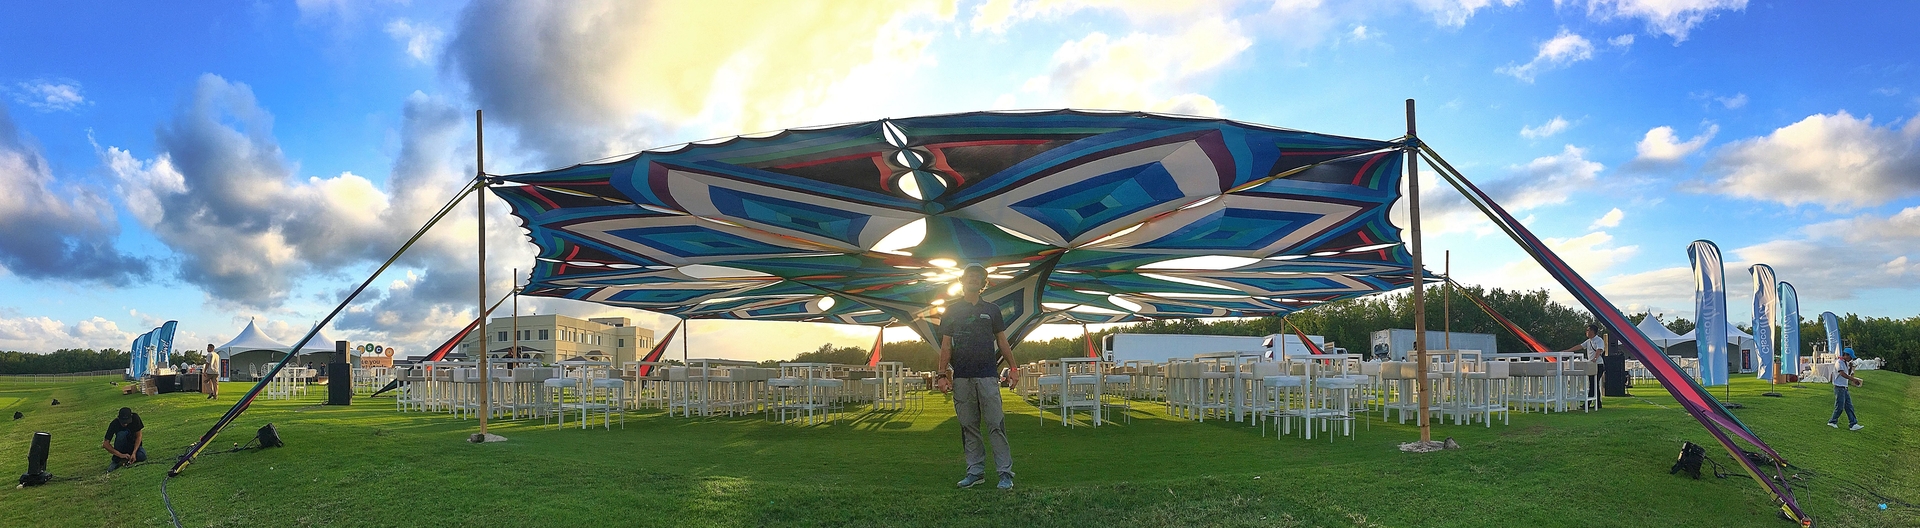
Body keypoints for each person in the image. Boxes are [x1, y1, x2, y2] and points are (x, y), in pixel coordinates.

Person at [934, 265, 1020, 490]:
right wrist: (941, 374)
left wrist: (1013, 367)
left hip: (988, 376)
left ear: (984, 284)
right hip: (962, 377)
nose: (973, 279)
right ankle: (975, 472)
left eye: (978, 277)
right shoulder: (951, 310)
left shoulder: (992, 310)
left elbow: (1002, 341)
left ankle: (1005, 474)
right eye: (969, 276)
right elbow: (946, 345)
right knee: (968, 426)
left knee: (996, 425)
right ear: (962, 281)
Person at [1561, 324, 1604, 410]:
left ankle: (1588, 403)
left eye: (1588, 330)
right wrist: (1568, 351)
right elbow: (1579, 346)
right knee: (1594, 384)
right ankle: (1598, 403)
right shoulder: (1588, 341)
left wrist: (1595, 358)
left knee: (1593, 384)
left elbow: (1599, 350)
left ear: (1592, 331)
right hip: (1591, 365)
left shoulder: (1599, 340)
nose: (1586, 332)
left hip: (1598, 364)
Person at [1828, 349, 1864, 430]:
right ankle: (1832, 421)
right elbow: (1842, 373)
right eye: (1850, 357)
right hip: (1839, 387)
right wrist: (1853, 379)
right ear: (1846, 355)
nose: (1851, 359)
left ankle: (1853, 424)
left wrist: (1850, 367)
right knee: (1839, 406)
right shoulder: (1839, 362)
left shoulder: (1845, 363)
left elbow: (1847, 373)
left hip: (1844, 387)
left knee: (1849, 406)